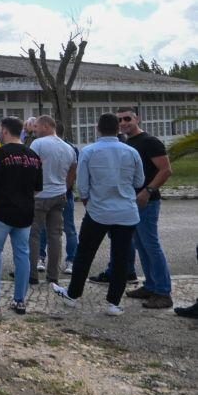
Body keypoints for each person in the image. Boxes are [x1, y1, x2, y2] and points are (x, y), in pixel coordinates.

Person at [52, 113, 143, 316]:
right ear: (118, 129)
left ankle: (73, 294)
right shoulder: (131, 152)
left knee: (85, 253)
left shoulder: (89, 151)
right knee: (121, 257)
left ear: (97, 128)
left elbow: (82, 186)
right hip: (126, 212)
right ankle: (113, 302)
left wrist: (88, 202)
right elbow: (139, 181)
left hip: (98, 211)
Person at [0, 117, 42, 315]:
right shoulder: (33, 155)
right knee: (22, 254)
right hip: (26, 212)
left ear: (4, 131)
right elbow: (37, 188)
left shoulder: (0, 153)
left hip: (2, 211)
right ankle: (20, 300)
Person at [117, 108, 174, 309]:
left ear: (137, 119)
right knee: (140, 244)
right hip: (131, 201)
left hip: (147, 201)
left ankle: (163, 292)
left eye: (127, 119)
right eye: (120, 120)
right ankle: (151, 286)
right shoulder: (126, 143)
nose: (123, 123)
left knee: (151, 244)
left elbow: (166, 170)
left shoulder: (149, 142)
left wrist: (148, 190)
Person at [28, 115, 77, 286]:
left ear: (47, 126)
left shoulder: (38, 144)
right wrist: (66, 186)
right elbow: (73, 170)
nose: (35, 130)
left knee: (34, 235)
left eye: (37, 127)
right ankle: (53, 276)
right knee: (55, 236)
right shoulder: (68, 148)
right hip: (59, 194)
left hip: (40, 195)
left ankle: (32, 274)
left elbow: (31, 168)